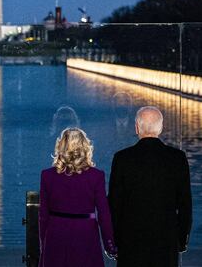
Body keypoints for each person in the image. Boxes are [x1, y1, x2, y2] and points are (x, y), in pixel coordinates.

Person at [108, 106, 192, 267]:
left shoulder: (122, 158)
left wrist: (115, 241)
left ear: (137, 127)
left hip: (130, 241)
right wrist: (181, 240)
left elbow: (114, 204)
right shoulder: (177, 158)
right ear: (160, 128)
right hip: (166, 240)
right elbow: (185, 205)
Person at [38, 127, 116, 267]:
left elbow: (43, 215)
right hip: (86, 235)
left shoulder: (47, 176)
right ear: (85, 148)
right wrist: (109, 245)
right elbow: (104, 215)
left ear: (61, 147)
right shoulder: (96, 176)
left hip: (56, 235)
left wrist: (44, 243)